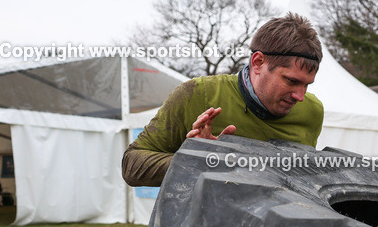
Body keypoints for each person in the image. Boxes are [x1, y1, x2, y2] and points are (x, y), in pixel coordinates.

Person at [121, 13, 325, 187]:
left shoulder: (312, 111)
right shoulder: (198, 95)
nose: (300, 96)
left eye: (307, 85)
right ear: (258, 62)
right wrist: (197, 159)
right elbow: (132, 165)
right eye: (291, 81)